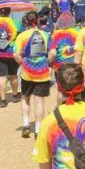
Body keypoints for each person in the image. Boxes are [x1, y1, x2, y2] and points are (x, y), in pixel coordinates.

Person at [13, 11, 52, 139]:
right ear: (38, 20)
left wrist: (23, 63)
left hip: (27, 73)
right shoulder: (46, 35)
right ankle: (37, 130)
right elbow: (53, 52)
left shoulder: (21, 36)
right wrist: (47, 62)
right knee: (39, 102)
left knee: (25, 98)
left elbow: (15, 54)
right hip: (42, 73)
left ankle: (26, 125)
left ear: (27, 22)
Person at [49, 22, 80, 103]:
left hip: (60, 67)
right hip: (74, 66)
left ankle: (60, 108)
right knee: (76, 89)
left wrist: (50, 63)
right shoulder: (77, 32)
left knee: (60, 90)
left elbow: (52, 52)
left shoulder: (56, 34)